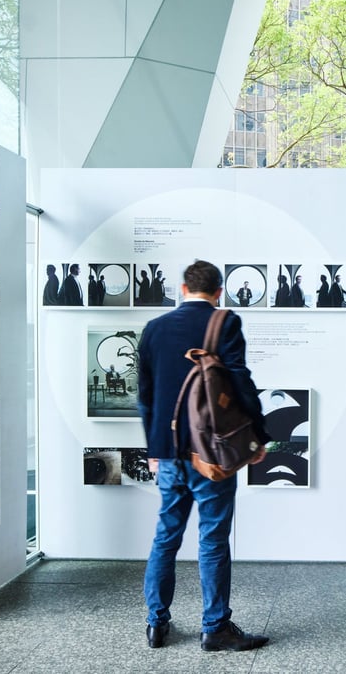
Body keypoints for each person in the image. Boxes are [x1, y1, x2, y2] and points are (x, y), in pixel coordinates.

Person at [138, 260, 270, 652]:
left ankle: (156, 625)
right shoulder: (224, 323)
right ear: (218, 292)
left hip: (167, 453)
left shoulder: (154, 329)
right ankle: (215, 627)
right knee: (212, 539)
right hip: (210, 452)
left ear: (182, 289)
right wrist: (257, 435)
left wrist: (153, 449)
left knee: (165, 537)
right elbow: (241, 381)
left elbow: (145, 397)